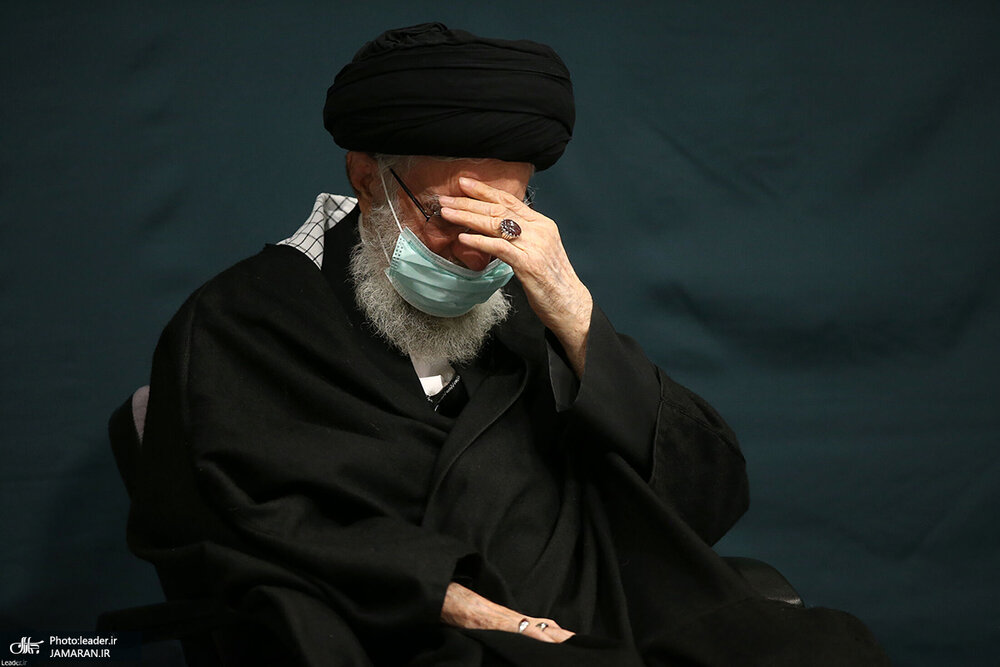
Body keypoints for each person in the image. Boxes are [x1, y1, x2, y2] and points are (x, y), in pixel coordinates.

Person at [127, 22, 889, 666]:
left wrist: (576, 314)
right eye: (446, 215)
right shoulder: (242, 320)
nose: (477, 250)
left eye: (504, 218)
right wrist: (454, 600)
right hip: (414, 633)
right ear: (366, 178)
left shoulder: (524, 303)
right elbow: (238, 530)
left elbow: (707, 495)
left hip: (606, 614)